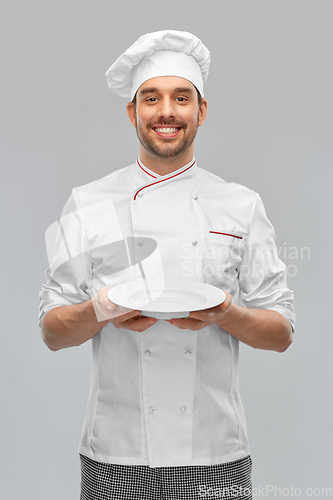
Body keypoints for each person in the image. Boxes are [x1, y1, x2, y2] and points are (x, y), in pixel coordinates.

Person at [39, 30, 295, 500]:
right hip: (114, 454)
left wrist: (227, 315)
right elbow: (52, 333)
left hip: (216, 454)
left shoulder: (240, 205)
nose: (166, 111)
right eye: (151, 98)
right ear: (132, 112)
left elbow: (281, 333)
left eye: (182, 97)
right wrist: (100, 308)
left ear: (200, 111)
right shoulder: (89, 202)